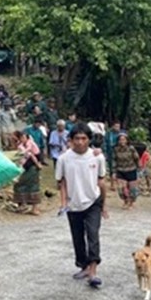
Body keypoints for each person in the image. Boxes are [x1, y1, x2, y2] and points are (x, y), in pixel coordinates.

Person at [56, 122, 108, 288]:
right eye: (77, 138)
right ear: (71, 140)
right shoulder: (64, 159)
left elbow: (101, 181)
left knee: (93, 234)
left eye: (84, 138)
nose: (80, 142)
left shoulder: (97, 157)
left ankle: (93, 271)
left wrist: (104, 205)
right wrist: (63, 203)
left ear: (89, 139)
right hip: (73, 203)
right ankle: (83, 265)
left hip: (93, 201)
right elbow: (61, 182)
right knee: (77, 236)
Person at [12, 130, 42, 215]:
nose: (22, 139)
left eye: (24, 137)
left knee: (33, 186)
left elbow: (32, 155)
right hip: (24, 167)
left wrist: (37, 164)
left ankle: (34, 208)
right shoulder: (20, 146)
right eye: (21, 137)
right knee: (19, 185)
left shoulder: (30, 144)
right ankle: (22, 205)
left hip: (32, 167)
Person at [113, 133, 140, 209]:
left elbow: (136, 158)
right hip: (120, 170)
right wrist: (114, 172)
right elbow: (114, 160)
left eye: (123, 139)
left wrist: (138, 168)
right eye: (120, 140)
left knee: (132, 189)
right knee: (122, 188)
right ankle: (125, 201)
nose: (122, 141)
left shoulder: (131, 148)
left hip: (131, 169)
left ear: (127, 140)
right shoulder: (116, 149)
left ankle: (131, 202)